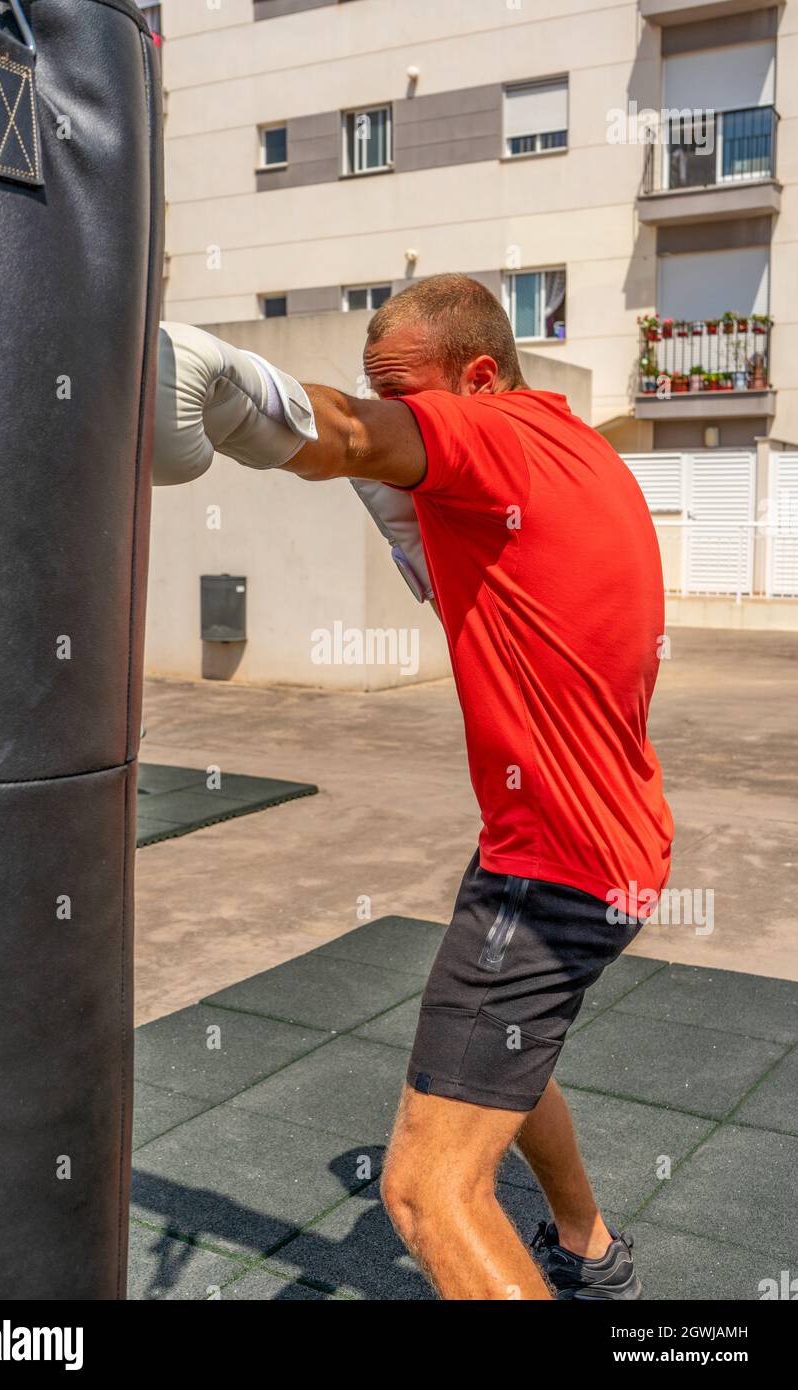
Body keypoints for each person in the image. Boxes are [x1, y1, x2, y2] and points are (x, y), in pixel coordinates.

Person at [153, 273, 674, 1301]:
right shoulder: (579, 455)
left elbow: (345, 434)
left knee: (426, 1192)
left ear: (480, 376)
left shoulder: (490, 440)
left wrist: (226, 380)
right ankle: (587, 1248)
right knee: (503, 1062)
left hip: (550, 869)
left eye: (412, 390)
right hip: (607, 842)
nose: (399, 409)